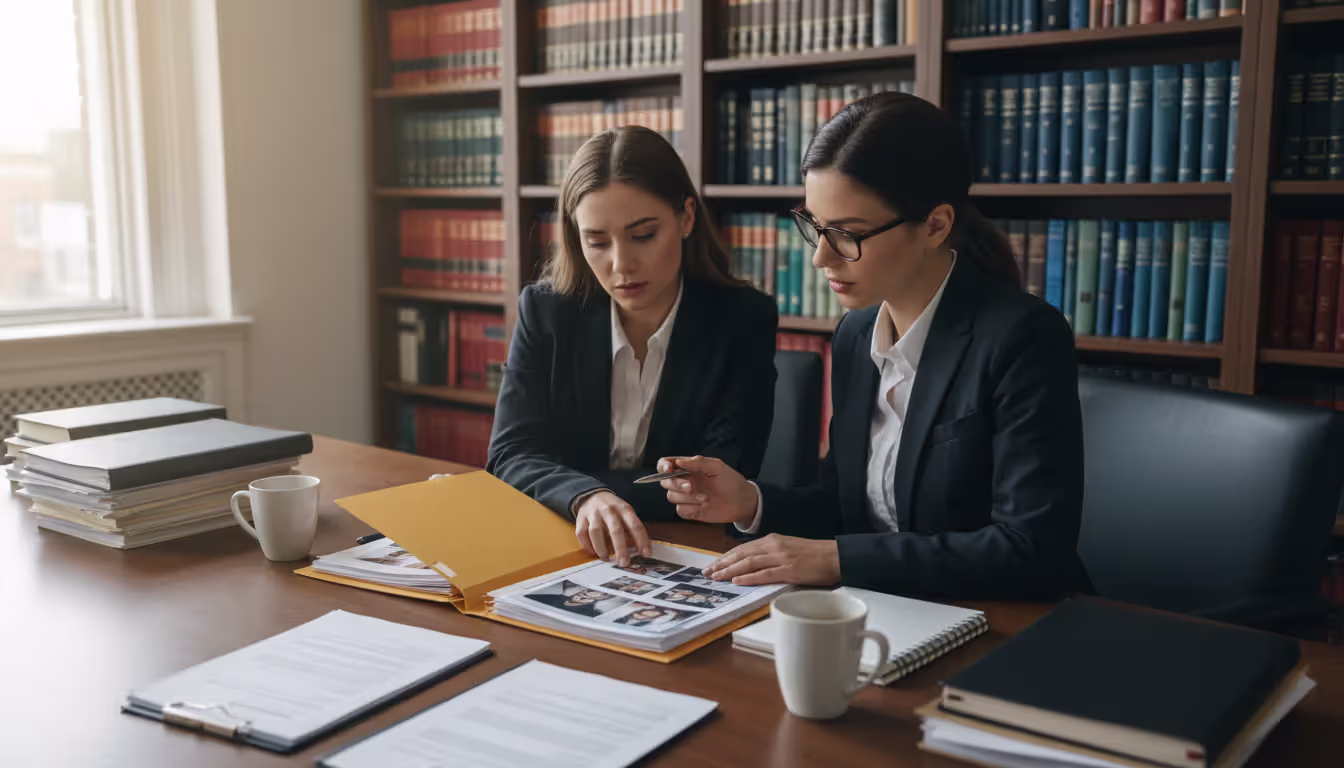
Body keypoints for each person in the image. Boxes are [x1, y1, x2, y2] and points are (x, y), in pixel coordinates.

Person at [658, 92, 1092, 601]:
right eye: (815, 226)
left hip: (1006, 623)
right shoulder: (856, 333)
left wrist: (834, 559)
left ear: (935, 225)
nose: (821, 257)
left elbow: (1030, 548)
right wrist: (750, 502)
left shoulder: (1024, 339)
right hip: (889, 608)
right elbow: (847, 505)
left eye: (845, 233)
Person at [487, 126, 778, 568]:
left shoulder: (743, 319)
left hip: (684, 556)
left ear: (686, 217)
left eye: (643, 235)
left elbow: (710, 481)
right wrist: (585, 496)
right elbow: (509, 454)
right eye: (597, 242)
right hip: (561, 545)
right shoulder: (546, 310)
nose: (621, 265)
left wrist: (574, 486)